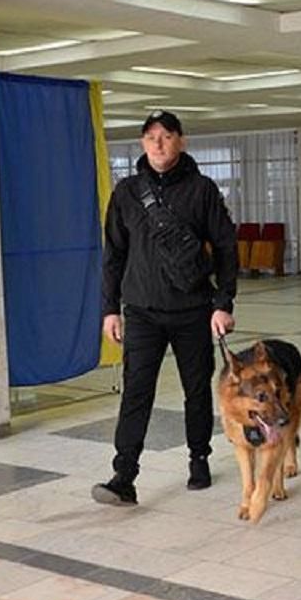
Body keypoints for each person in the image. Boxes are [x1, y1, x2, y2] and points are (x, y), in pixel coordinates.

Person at [92, 110, 237, 506]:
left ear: (181, 141)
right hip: (141, 311)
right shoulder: (126, 193)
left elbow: (226, 248)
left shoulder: (202, 190)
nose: (158, 143)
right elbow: (113, 255)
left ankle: (199, 458)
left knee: (196, 390)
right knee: (136, 392)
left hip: (193, 310)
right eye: (151, 136)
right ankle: (124, 474)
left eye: (167, 136)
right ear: (142, 143)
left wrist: (223, 303)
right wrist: (110, 309)